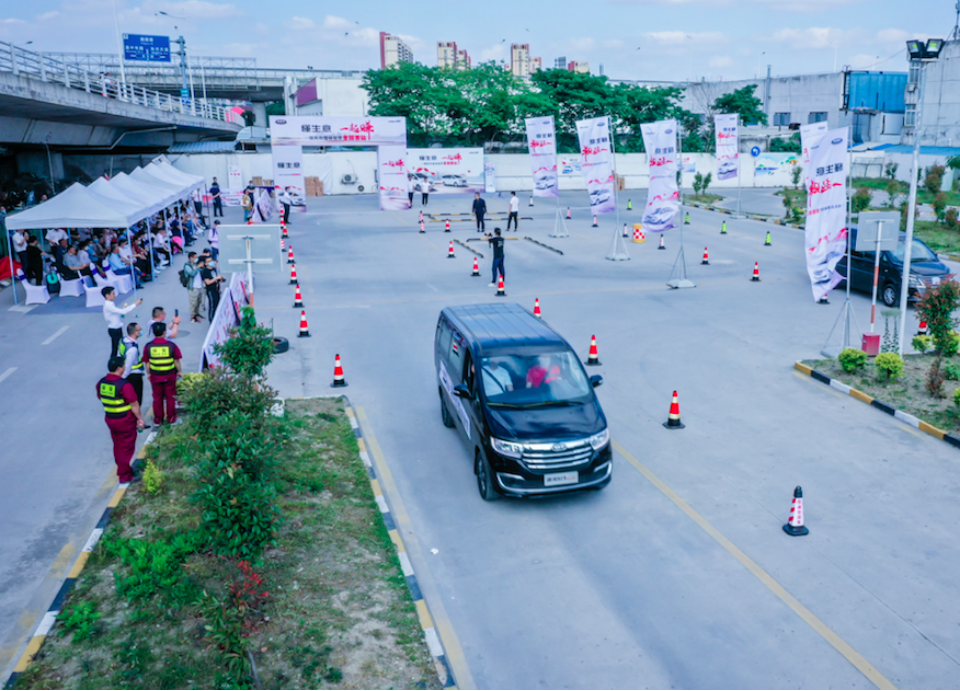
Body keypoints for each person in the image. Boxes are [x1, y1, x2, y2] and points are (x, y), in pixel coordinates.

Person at [97, 356, 146, 484]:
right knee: (127, 448)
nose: (125, 367)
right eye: (123, 365)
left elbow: (100, 397)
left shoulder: (102, 383)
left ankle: (122, 470)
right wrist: (140, 419)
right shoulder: (124, 385)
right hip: (125, 421)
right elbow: (134, 404)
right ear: (119, 368)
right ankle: (125, 475)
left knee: (118, 446)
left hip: (110, 419)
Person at [142, 321, 183, 426]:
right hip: (169, 376)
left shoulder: (148, 346)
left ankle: (157, 420)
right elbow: (176, 361)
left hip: (155, 376)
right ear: (165, 332)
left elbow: (147, 363)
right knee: (170, 397)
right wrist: (179, 372)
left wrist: (149, 373)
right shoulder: (171, 346)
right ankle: (171, 418)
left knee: (157, 398)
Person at [102, 287, 142, 358]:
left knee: (116, 347)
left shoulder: (110, 304)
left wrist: (124, 310)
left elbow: (118, 313)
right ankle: (115, 362)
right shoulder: (108, 305)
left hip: (116, 328)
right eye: (113, 294)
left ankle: (116, 361)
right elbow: (123, 312)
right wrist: (135, 304)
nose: (115, 295)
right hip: (114, 330)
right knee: (117, 347)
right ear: (107, 296)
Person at [119, 322, 147, 410]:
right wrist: (121, 379)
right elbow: (128, 366)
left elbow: (119, 356)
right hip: (134, 375)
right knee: (137, 400)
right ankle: (137, 421)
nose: (141, 331)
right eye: (140, 330)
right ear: (135, 332)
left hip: (127, 374)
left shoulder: (123, 340)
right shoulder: (132, 349)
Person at [200, 255, 225, 321]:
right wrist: (216, 278)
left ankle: (217, 319)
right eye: (209, 261)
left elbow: (215, 279)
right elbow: (208, 282)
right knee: (212, 306)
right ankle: (211, 320)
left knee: (217, 304)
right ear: (205, 263)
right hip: (211, 291)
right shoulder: (205, 271)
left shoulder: (213, 269)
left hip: (216, 289)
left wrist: (220, 280)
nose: (211, 262)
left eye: (211, 260)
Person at [183, 252, 205, 322]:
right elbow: (192, 273)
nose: (197, 259)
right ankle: (192, 316)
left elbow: (201, 271)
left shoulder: (196, 264)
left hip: (200, 285)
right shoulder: (187, 266)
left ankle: (197, 313)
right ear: (191, 258)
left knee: (199, 301)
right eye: (195, 257)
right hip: (193, 287)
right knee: (193, 302)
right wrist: (198, 267)